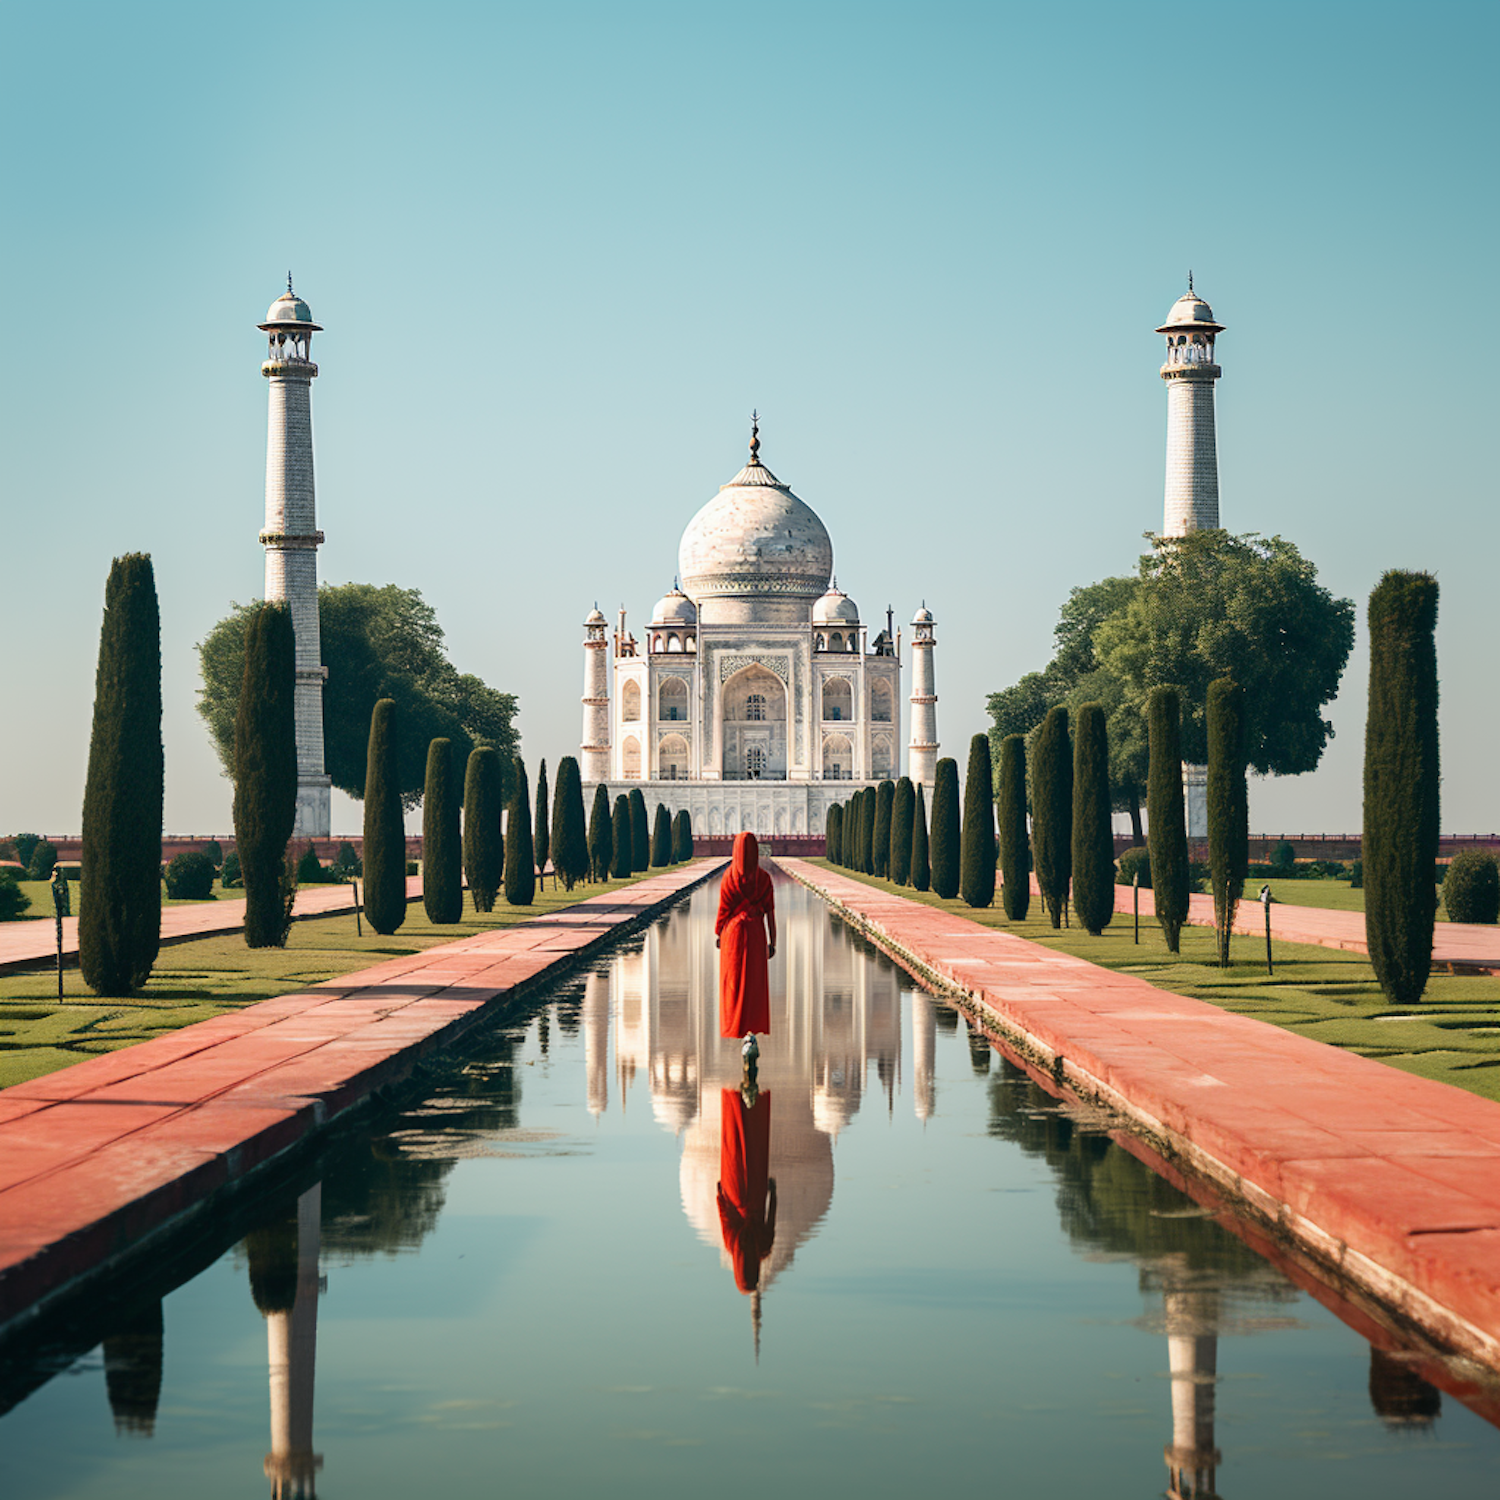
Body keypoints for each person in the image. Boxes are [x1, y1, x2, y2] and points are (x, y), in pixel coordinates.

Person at [716, 831, 775, 1054]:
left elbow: (723, 911)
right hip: (756, 932)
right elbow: (770, 912)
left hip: (732, 934)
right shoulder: (764, 879)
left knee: (732, 983)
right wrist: (773, 941)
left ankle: (736, 1026)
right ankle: (753, 1030)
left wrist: (718, 933)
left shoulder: (728, 877)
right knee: (755, 983)